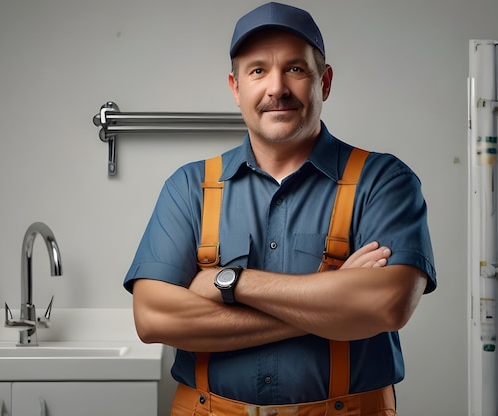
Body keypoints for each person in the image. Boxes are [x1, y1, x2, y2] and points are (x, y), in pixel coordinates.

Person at [124, 2, 436, 415]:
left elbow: (388, 304)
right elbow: (152, 319)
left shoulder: (384, 180)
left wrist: (229, 281)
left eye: (295, 69)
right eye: (258, 71)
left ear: (324, 82)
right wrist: (333, 310)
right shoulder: (189, 187)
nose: (277, 88)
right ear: (236, 88)